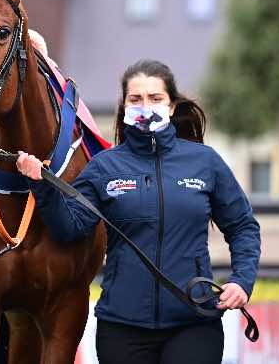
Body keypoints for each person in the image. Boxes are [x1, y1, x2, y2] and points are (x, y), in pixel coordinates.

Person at [16, 59, 261, 364]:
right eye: (136, 99)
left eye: (155, 98)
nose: (145, 106)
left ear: (171, 106)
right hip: (122, 328)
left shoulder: (205, 162)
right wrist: (42, 186)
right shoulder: (104, 167)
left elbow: (243, 227)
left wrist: (242, 280)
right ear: (124, 107)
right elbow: (69, 230)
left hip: (194, 324)